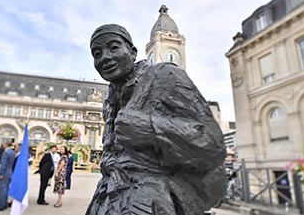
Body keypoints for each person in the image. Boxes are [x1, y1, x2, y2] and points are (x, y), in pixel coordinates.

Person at [86, 24, 227, 215]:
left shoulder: (165, 76)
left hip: (154, 199)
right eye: (97, 53)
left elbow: (213, 144)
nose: (105, 57)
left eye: (114, 47)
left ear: (133, 52)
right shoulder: (110, 99)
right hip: (109, 194)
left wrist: (151, 130)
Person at [0, 141, 15, 211]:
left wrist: (0, 173)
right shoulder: (12, 152)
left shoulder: (5, 152)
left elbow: (3, 164)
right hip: (9, 172)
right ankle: (4, 204)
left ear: (6, 144)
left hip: (4, 173)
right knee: (6, 189)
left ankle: (1, 205)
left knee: (2, 190)